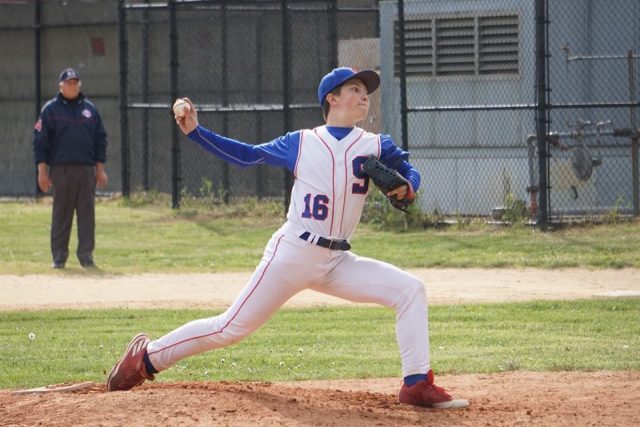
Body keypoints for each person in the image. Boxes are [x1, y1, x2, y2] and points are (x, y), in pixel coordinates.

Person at [106, 67, 469, 409]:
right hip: (293, 254)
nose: (364, 97)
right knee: (231, 328)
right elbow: (248, 156)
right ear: (332, 98)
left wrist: (408, 187)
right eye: (355, 90)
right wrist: (196, 132)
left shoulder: (375, 144)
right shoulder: (302, 142)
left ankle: (416, 384)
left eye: (366, 92)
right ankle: (147, 356)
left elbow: (409, 171)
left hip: (338, 261)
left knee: (410, 290)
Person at [32, 68, 108, 269]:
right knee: (61, 214)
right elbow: (40, 142)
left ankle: (86, 257)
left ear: (79, 85)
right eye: (68, 83)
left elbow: (100, 140)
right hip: (61, 169)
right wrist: (42, 171)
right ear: (61, 86)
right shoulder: (51, 110)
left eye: (75, 83)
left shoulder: (90, 109)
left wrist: (100, 169)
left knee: (86, 214)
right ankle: (59, 257)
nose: (72, 86)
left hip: (86, 169)